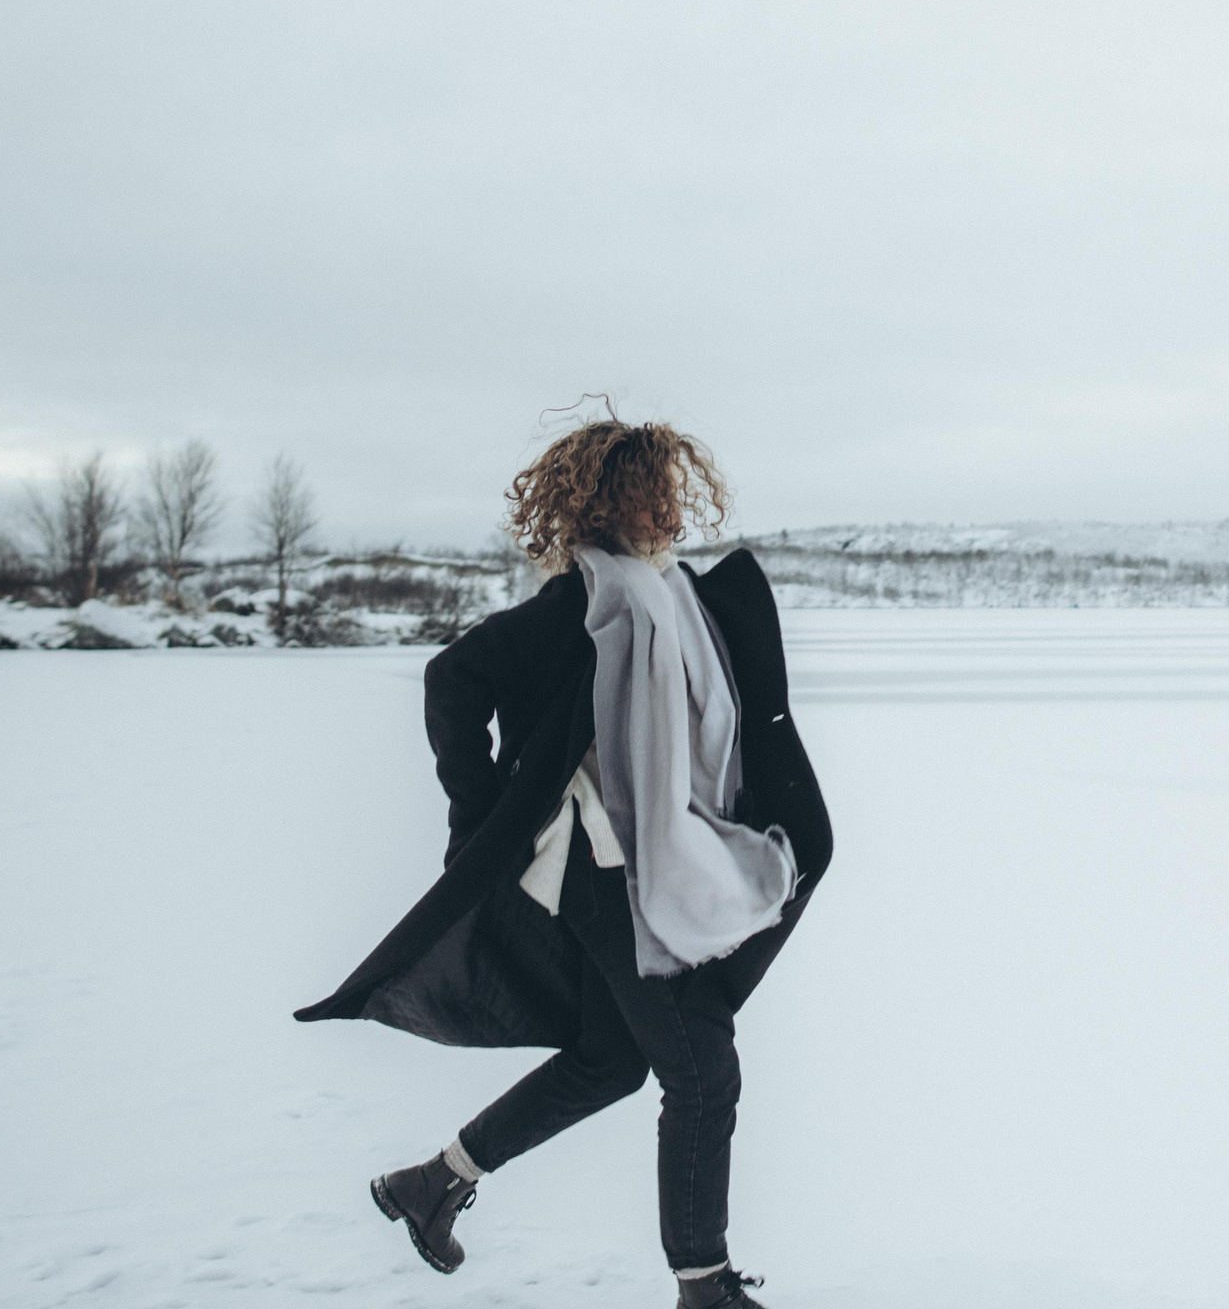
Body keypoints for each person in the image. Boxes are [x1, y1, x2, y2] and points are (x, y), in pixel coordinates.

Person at [293, 415, 834, 1309]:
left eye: (670, 491)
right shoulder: (580, 603)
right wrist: (478, 820)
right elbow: (452, 681)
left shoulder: (677, 598)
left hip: (662, 860)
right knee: (702, 1070)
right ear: (604, 501)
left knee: (611, 1058)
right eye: (646, 492)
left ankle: (434, 1183)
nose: (666, 508)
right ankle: (705, 1288)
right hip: (602, 872)